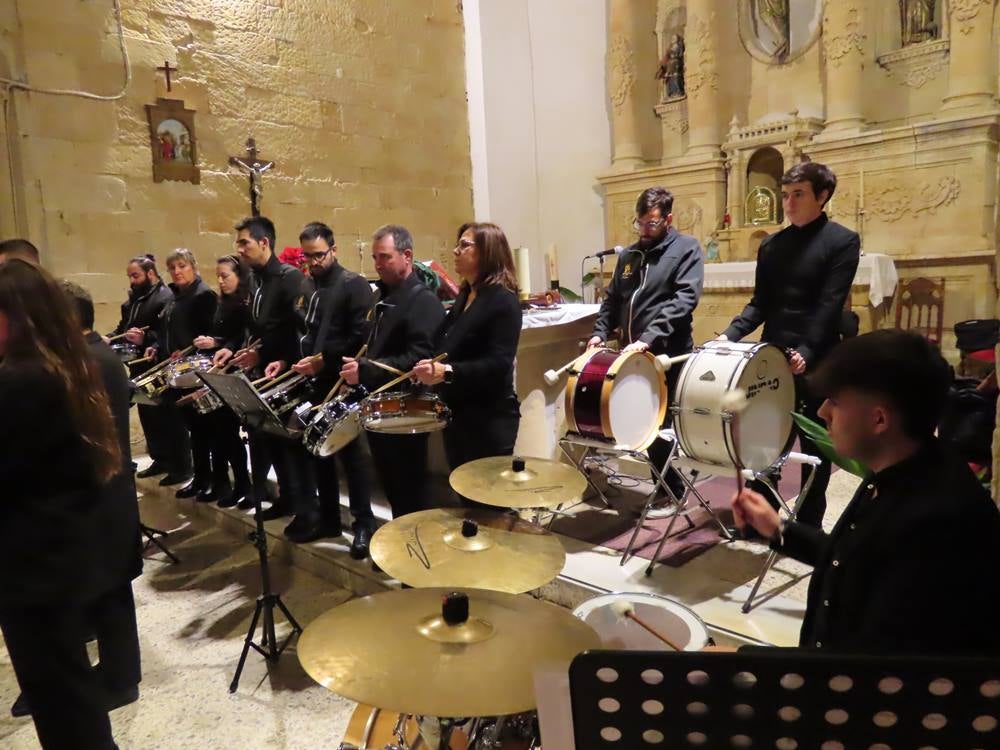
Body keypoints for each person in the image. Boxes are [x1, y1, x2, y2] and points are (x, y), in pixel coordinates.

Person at [732, 330, 1000, 653]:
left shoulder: (937, 520)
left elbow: (870, 665)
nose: (822, 413)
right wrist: (778, 530)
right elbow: (854, 562)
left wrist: (749, 660)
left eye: (834, 401)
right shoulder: (902, 467)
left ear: (879, 419)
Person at [0, 259, 121, 749]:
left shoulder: (20, 381)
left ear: (16, 318)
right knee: (67, 690)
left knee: (60, 698)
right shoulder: (63, 365)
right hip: (58, 552)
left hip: (34, 563)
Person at [721, 162, 860, 528]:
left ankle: (808, 524)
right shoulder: (771, 245)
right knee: (765, 440)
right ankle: (759, 518)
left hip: (816, 357)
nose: (788, 202)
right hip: (772, 355)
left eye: (798, 194)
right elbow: (760, 303)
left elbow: (830, 304)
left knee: (816, 445)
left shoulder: (842, 241)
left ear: (823, 195)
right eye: (785, 195)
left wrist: (808, 351)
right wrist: (727, 336)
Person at [588, 186, 704, 504]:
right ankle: (666, 487)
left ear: (668, 218)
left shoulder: (686, 249)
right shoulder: (629, 255)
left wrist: (648, 337)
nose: (644, 230)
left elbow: (684, 300)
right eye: (639, 223)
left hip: (667, 351)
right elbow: (612, 300)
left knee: (658, 423)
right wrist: (600, 332)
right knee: (642, 421)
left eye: (651, 224)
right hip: (633, 352)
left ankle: (671, 492)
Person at [58, 281, 142, 711]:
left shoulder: (89, 361)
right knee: (109, 589)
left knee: (111, 591)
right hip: (109, 490)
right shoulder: (95, 355)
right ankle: (116, 670)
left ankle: (122, 679)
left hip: (104, 492)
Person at [340, 224, 445, 518]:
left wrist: (366, 371)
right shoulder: (379, 296)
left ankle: (416, 549)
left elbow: (419, 360)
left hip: (406, 410)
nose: (378, 265)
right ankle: (400, 549)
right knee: (390, 487)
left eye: (385, 257)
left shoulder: (423, 301)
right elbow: (371, 345)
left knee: (410, 488)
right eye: (375, 257)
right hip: (379, 408)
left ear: (407, 255)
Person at [413, 222, 522, 503]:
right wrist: (425, 363)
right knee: (465, 497)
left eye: (465, 245)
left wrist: (447, 372)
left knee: (489, 503)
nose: (455, 250)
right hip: (459, 414)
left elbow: (499, 364)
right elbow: (444, 343)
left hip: (490, 418)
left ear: (487, 252)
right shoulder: (464, 296)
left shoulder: (503, 301)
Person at [288, 222, 375, 551]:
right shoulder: (307, 285)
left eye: (320, 255)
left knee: (353, 457)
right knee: (316, 451)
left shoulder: (354, 285)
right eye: (307, 256)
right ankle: (328, 519)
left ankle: (364, 524)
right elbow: (305, 330)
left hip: (344, 380)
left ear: (334, 250)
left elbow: (361, 337)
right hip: (313, 379)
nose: (313, 262)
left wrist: (325, 359)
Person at [216, 216, 310, 521]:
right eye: (239, 243)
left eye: (245, 242)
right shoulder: (255, 279)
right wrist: (238, 348)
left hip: (285, 374)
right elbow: (257, 327)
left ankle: (299, 503)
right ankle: (285, 499)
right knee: (267, 440)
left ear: (264, 242)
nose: (240, 249)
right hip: (262, 372)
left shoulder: (290, 278)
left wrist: (270, 356)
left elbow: (299, 333)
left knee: (287, 445)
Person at [146, 249, 218, 499]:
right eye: (173, 268)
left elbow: (208, 334)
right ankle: (199, 478)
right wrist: (157, 347)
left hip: (196, 371)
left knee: (202, 429)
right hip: (179, 372)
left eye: (182, 266)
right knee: (193, 429)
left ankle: (208, 479)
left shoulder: (204, 295)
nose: (177, 271)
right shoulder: (175, 297)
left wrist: (186, 350)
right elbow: (165, 330)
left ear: (193, 267)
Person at [112, 255, 180, 483]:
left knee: (165, 417)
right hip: (138, 365)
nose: (132, 281)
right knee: (148, 415)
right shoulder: (134, 301)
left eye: (136, 275)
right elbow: (124, 328)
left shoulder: (164, 297)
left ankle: (176, 463)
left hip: (158, 365)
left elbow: (166, 332)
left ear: (151, 274)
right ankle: (159, 458)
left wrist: (148, 340)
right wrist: (109, 338)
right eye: (130, 276)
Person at [193, 255, 253, 508]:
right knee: (221, 434)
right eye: (218, 276)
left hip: (237, 373)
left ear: (239, 276)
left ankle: (246, 486)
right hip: (220, 371)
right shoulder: (222, 302)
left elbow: (242, 336)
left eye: (225, 276)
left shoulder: (245, 303)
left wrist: (219, 344)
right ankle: (232, 483)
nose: (220, 281)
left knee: (231, 432)